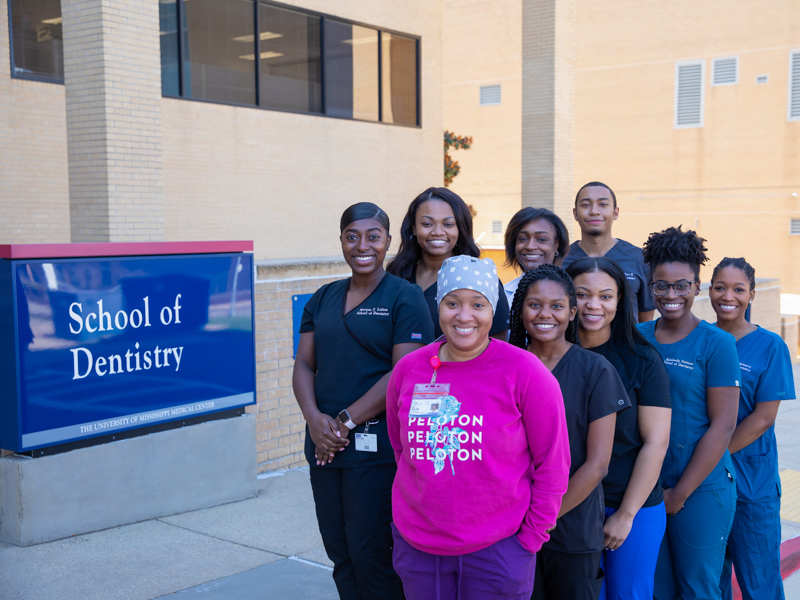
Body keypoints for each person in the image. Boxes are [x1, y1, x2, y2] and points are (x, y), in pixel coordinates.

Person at [386, 255, 570, 600]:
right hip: (420, 549)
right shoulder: (410, 370)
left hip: (498, 550)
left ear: (493, 310)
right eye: (453, 302)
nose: (464, 316)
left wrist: (529, 539)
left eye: (477, 304)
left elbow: (553, 464)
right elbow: (403, 448)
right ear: (439, 306)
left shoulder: (525, 372)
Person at [292, 202, 434, 600]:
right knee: (340, 554)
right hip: (325, 449)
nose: (362, 245)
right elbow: (304, 365)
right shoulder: (322, 299)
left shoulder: (405, 298)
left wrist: (343, 423)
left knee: (371, 556)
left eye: (373, 236)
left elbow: (403, 373)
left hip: (375, 453)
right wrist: (315, 421)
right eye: (352, 236)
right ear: (341, 241)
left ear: (389, 241)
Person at [509, 264, 630, 600]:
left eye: (557, 306)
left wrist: (540, 519)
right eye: (534, 305)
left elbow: (597, 465)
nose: (545, 314)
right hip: (507, 527)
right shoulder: (505, 365)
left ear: (572, 312)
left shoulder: (596, 371)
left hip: (572, 531)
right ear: (520, 311)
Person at [637, 226, 740, 600]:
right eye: (661, 285)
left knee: (698, 588)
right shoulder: (637, 337)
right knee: (655, 588)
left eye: (682, 285)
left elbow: (723, 426)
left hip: (700, 488)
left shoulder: (718, 343)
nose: (671, 294)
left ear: (698, 286)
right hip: (646, 489)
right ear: (650, 286)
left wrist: (680, 493)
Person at [566, 257, 672, 600]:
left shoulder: (642, 358)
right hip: (571, 504)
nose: (593, 305)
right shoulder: (550, 355)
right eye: (582, 294)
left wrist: (626, 515)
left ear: (621, 300)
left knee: (628, 594)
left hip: (630, 504)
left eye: (606, 296)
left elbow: (655, 442)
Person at [710, 257, 795, 600]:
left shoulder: (771, 346)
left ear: (752, 295)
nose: (727, 296)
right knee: (710, 581)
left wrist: (710, 455)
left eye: (738, 289)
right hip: (707, 483)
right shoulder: (702, 338)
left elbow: (763, 418)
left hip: (752, 484)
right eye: (719, 287)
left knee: (759, 583)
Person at [387, 187, 510, 339]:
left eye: (448, 224)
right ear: (413, 228)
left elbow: (499, 345)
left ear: (460, 228)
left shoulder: (480, 276)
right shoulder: (396, 275)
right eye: (427, 224)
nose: (438, 231)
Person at [561, 182, 655, 323]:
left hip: (626, 345)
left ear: (615, 212)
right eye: (585, 205)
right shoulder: (560, 260)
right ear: (575, 213)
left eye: (603, 204)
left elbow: (645, 321)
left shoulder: (640, 259)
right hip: (575, 344)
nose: (594, 211)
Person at [503, 207, 570, 306]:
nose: (530, 246)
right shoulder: (502, 294)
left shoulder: (573, 292)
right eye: (522, 238)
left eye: (541, 239)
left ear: (556, 245)